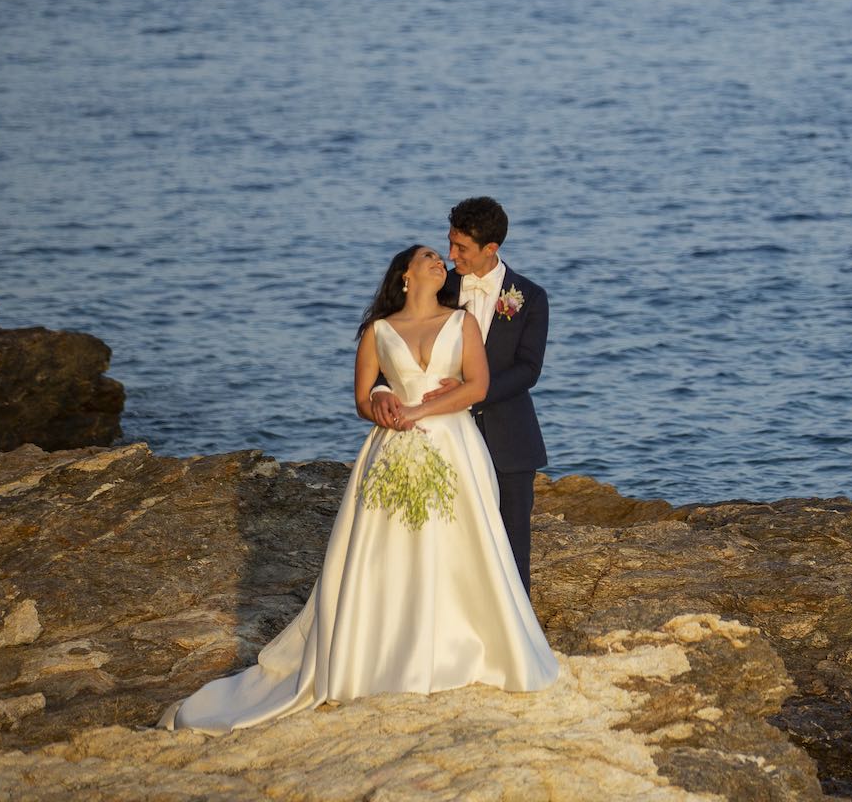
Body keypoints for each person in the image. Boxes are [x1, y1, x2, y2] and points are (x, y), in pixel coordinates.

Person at [160, 244, 559, 732]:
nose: (441, 261)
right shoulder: (378, 330)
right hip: (390, 450)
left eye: (444, 255)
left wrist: (415, 412)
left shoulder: (463, 323)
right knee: (388, 550)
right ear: (405, 276)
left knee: (462, 545)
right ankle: (385, 652)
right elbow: (360, 398)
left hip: (455, 447)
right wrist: (382, 402)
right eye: (429, 257)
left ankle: (467, 646)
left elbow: (476, 387)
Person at [369, 197, 549, 593]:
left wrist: (472, 392)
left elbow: (528, 369)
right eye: (448, 243)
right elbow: (394, 343)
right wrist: (381, 389)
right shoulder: (437, 285)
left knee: (512, 535)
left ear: (491, 249)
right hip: (439, 435)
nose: (450, 255)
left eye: (461, 248)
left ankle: (519, 635)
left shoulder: (531, 297)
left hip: (509, 435)